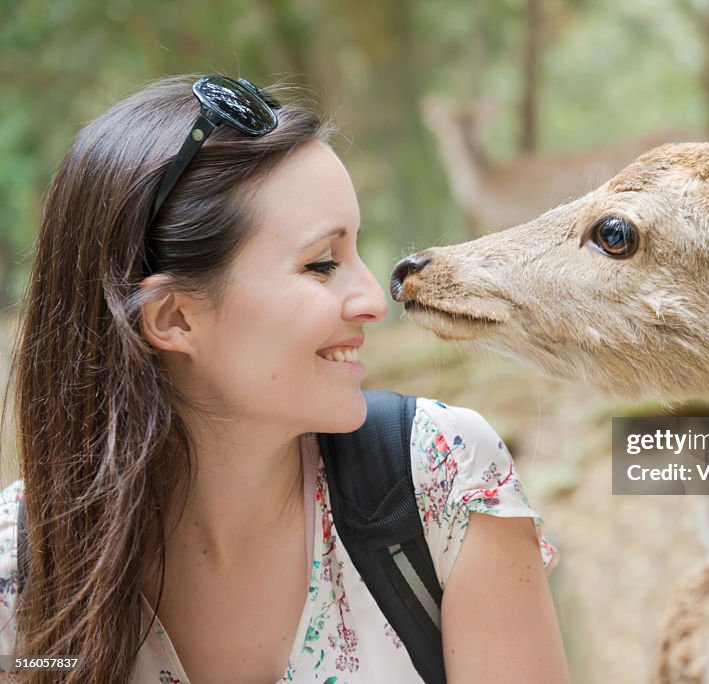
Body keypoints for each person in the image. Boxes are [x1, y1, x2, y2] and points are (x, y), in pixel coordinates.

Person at [0, 75, 570, 683]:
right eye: (322, 264)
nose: (376, 299)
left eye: (356, 253)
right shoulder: (20, 576)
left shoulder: (444, 479)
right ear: (175, 318)